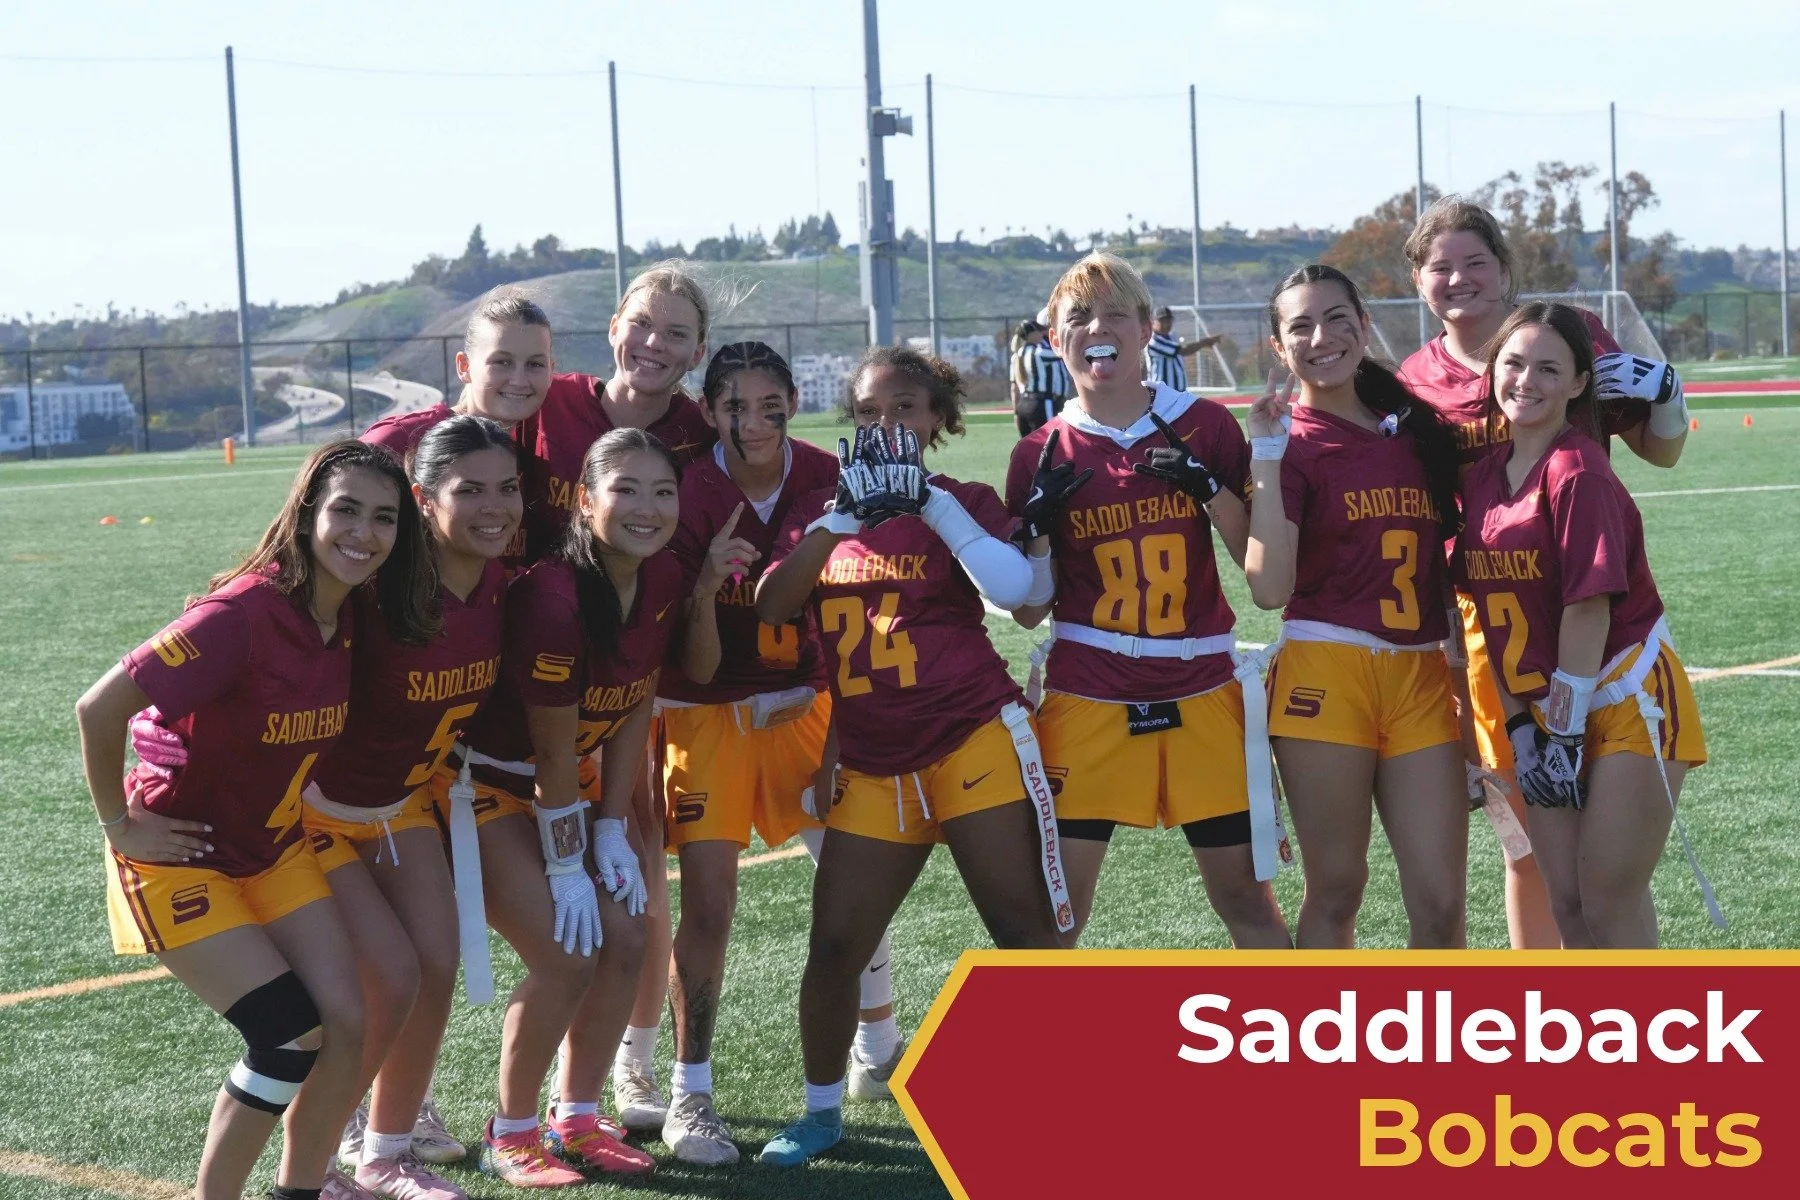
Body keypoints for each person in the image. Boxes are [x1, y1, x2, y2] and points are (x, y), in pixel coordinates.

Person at [80, 440, 436, 1200]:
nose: (363, 533)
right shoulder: (242, 613)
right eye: (345, 510)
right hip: (177, 854)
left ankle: (299, 1191)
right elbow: (100, 707)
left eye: (383, 518)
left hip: (271, 850)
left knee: (348, 1018)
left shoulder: (351, 617)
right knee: (287, 1035)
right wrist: (119, 821)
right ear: (307, 513)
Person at [754, 345, 1067, 1167]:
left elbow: (1017, 595)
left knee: (1024, 934)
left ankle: (1062, 1095)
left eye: (903, 409)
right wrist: (837, 524)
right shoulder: (828, 508)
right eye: (867, 411)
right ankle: (823, 1112)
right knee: (834, 946)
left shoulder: (960, 499)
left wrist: (930, 506)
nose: (884, 424)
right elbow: (774, 609)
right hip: (874, 758)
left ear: (936, 420)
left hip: (971, 738)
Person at [1397, 196, 1691, 949]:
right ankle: (1550, 1020)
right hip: (1498, 629)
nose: (1458, 279)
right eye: (1440, 266)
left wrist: (1669, 392)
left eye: (1475, 262)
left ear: (1505, 268)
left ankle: (1638, 1042)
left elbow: (1660, 451)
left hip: (1594, 629)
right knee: (1534, 855)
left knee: (1609, 886)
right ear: (1418, 280)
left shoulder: (1564, 340)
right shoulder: (1413, 382)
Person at [649, 341, 902, 1165]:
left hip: (807, 700)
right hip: (706, 708)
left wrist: (832, 711)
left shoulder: (828, 473)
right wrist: (701, 582)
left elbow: (863, 599)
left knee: (854, 873)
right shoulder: (688, 492)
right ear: (708, 405)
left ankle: (879, 1041)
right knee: (709, 907)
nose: (752, 421)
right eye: (733, 404)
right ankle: (689, 1092)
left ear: (795, 398)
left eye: (769, 404)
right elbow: (682, 653)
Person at [1008, 252, 1291, 949]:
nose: (1096, 327)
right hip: (1089, 690)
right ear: (1054, 341)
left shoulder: (1203, 424)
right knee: (1057, 911)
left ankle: (1299, 1046)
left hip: (1199, 684)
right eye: (1077, 317)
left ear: (1144, 329)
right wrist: (1038, 533)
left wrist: (1209, 489)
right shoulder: (1040, 451)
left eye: (1113, 314)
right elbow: (1028, 611)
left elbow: (1256, 569)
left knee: (1245, 901)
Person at [450, 430, 701, 1184]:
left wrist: (616, 825)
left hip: (573, 790)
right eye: (625, 490)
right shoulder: (554, 600)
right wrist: (569, 864)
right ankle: (512, 1130)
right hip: (489, 789)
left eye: (662, 492)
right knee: (565, 954)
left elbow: (633, 706)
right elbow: (552, 754)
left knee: (629, 937)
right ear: (585, 500)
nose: (646, 509)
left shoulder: (662, 579)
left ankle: (579, 1118)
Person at [520, 262, 716, 1135]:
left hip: (623, 684)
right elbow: (455, 433)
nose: (656, 344)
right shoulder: (548, 402)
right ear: (612, 326)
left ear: (696, 353)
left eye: (677, 333)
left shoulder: (698, 433)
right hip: (508, 670)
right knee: (441, 909)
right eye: (643, 323)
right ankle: (391, 1099)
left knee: (637, 869)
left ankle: (622, 1071)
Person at [1455, 302, 1710, 947]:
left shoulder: (1578, 469)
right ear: (1492, 372)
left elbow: (1588, 610)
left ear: (1578, 383)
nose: (1526, 381)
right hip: (1542, 708)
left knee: (1605, 899)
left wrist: (1561, 734)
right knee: (1565, 901)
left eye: (1548, 368)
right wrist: (1520, 725)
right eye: (1513, 363)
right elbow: (1492, 619)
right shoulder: (1482, 477)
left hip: (1626, 694)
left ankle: (1640, 1041)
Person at [1244, 265, 1468, 949]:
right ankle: (1326, 1048)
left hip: (1419, 677)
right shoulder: (1288, 442)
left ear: (1365, 325)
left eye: (1338, 318)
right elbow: (1268, 588)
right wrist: (1266, 457)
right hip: (1326, 674)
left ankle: (1437, 1050)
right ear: (1280, 349)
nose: (1322, 336)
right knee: (1338, 889)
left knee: (1441, 902)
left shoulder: (1418, 434)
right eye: (1301, 326)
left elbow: (1446, 575)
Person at [360, 286, 555, 576]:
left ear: (552, 370)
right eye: (501, 362)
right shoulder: (400, 439)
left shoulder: (534, 448)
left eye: (535, 364)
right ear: (464, 366)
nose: (519, 379)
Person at [1018, 306, 1074, 436]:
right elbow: (1065, 353)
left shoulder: (1028, 349)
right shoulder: (1041, 349)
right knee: (1049, 440)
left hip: (1046, 400)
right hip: (1046, 401)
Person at [1143, 304, 1224, 393]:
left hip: (1178, 390)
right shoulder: (1154, 340)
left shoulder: (1172, 337)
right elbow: (1183, 351)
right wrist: (1204, 342)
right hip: (1161, 392)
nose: (1167, 324)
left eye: (1169, 320)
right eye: (1162, 321)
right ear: (1153, 323)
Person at [1010, 318, 1049, 436]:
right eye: (1039, 331)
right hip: (1037, 403)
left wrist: (1016, 412)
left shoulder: (1016, 356)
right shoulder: (1038, 353)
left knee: (1028, 447)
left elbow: (1014, 388)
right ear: (1031, 334)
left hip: (1022, 404)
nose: (1041, 334)